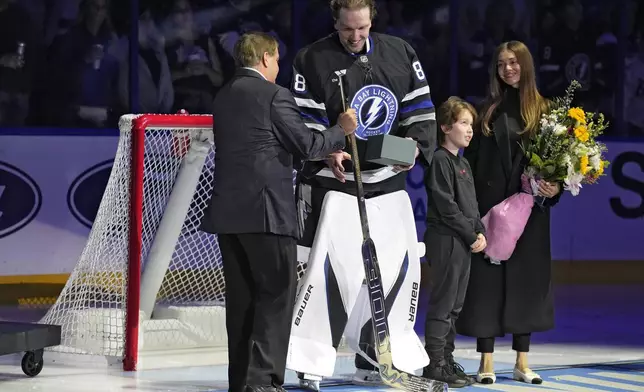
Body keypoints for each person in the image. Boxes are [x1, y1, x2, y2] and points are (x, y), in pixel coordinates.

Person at [199, 32, 358, 392]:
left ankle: (242, 382)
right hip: (267, 214)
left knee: (241, 302)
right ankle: (265, 382)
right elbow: (305, 142)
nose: (279, 67)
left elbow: (270, 142)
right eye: (277, 60)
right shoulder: (274, 95)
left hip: (229, 215)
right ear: (267, 57)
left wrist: (321, 151)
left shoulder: (223, 96)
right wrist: (340, 131)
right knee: (275, 296)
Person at [291, 0, 436, 388]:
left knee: (388, 274)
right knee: (329, 273)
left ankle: (375, 355)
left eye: (362, 28)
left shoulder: (401, 52)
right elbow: (305, 123)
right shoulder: (310, 59)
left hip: (388, 183)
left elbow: (419, 111)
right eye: (347, 30)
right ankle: (311, 363)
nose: (355, 37)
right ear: (334, 23)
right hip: (333, 186)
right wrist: (329, 149)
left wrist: (415, 149)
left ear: (372, 20)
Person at [455, 40, 562, 385]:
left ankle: (522, 361)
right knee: (487, 285)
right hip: (492, 213)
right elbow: (469, 166)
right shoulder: (486, 110)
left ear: (526, 66)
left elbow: (560, 166)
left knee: (525, 285)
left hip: (530, 213)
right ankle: (486, 361)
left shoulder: (547, 112)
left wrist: (554, 188)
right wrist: (472, 213)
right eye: (501, 64)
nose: (508, 69)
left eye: (514, 63)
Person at [423, 97, 486, 388]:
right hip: (446, 239)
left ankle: (446, 361)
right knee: (443, 303)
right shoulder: (439, 160)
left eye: (471, 124)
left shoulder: (462, 162)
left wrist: (479, 231)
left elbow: (471, 206)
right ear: (446, 127)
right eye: (463, 123)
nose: (469, 129)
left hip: (462, 241)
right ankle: (434, 363)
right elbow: (447, 207)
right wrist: (471, 235)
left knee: (455, 306)